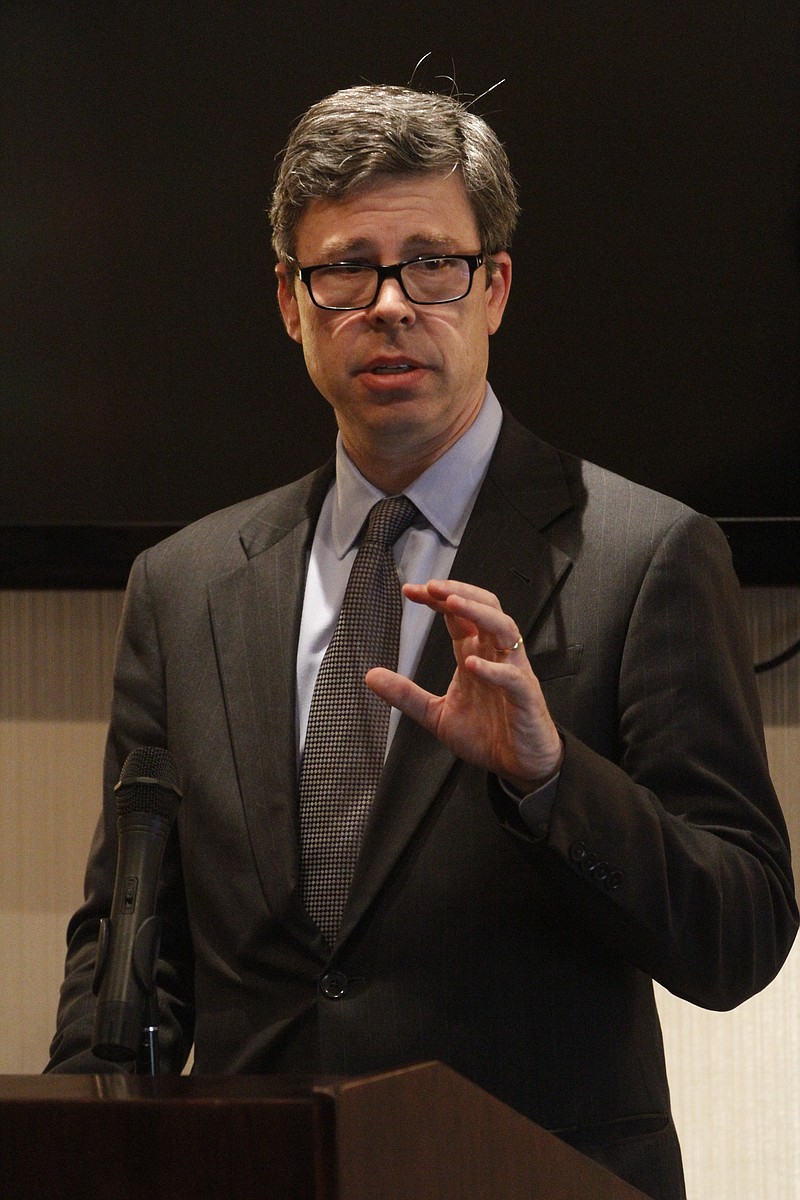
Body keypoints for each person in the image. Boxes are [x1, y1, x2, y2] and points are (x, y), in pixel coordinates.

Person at [46, 85, 797, 1200]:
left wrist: (550, 781)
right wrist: (75, 1148)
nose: (389, 305)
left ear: (493, 287)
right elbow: (128, 948)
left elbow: (735, 938)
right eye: (345, 268)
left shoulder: (643, 557)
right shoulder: (185, 584)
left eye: (431, 264)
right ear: (291, 304)